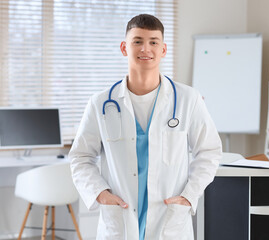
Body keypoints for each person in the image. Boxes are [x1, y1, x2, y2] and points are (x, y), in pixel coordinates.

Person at [69, 14, 222, 240]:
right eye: (137, 41)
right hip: (120, 219)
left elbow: (209, 151)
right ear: (124, 47)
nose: (146, 49)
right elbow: (80, 157)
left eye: (153, 42)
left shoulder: (188, 99)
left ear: (163, 49)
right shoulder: (101, 103)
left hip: (169, 218)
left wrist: (189, 196)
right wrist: (100, 194)